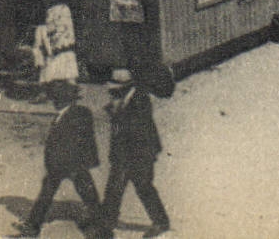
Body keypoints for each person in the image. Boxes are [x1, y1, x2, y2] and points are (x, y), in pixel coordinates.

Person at [91, 66, 170, 239]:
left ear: (125, 87)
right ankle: (105, 229)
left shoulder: (140, 100)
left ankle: (161, 222)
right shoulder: (124, 98)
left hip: (140, 153)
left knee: (143, 187)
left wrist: (116, 113)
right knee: (114, 190)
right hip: (124, 154)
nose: (111, 92)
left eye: (115, 89)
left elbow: (135, 129)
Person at [18, 80, 103, 237]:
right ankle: (31, 228)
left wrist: (81, 163)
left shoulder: (78, 113)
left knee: (89, 197)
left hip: (73, 164)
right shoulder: (65, 114)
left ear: (64, 99)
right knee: (47, 195)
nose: (53, 102)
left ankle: (102, 230)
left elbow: (83, 140)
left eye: (55, 99)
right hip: (60, 164)